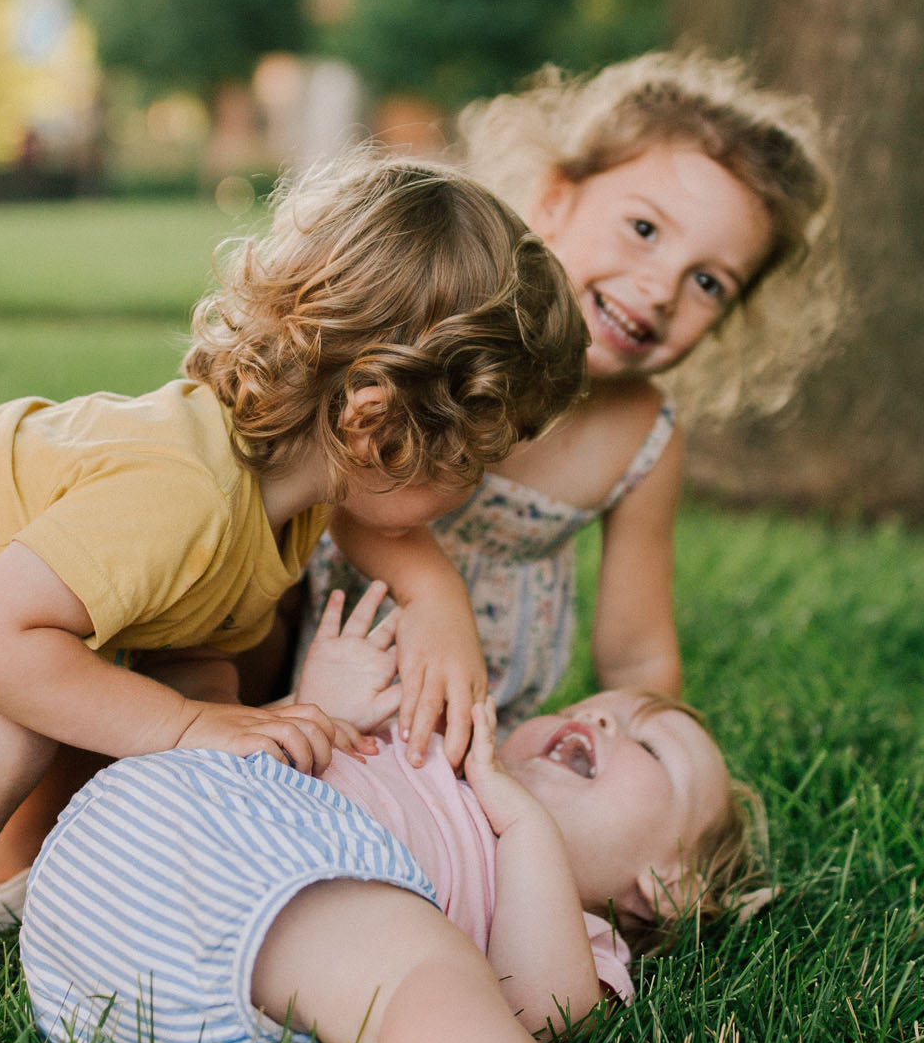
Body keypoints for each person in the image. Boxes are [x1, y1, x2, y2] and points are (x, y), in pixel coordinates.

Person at [0, 157, 587, 1033]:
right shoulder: (180, 488)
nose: (476, 487)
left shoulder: (284, 503)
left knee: (119, 703)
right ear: (374, 424)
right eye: (473, 459)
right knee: (6, 709)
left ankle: (32, 884)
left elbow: (197, 666)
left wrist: (238, 746)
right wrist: (193, 728)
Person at [21, 584, 860, 1043]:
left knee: (425, 979)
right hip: (165, 834)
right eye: (599, 704)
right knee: (427, 967)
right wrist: (326, 711)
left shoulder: (586, 935)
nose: (601, 712)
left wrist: (521, 826)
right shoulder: (422, 750)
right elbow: (287, 765)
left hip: (146, 972)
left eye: (648, 745)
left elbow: (537, 1015)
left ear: (666, 887)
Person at [294, 52, 837, 722]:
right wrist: (432, 593)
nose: (662, 288)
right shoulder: (457, 323)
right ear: (555, 200)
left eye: (708, 282)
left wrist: (655, 757)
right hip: (315, 644)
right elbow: (347, 483)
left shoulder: (642, 437)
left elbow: (637, 656)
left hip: (484, 717)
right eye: (644, 230)